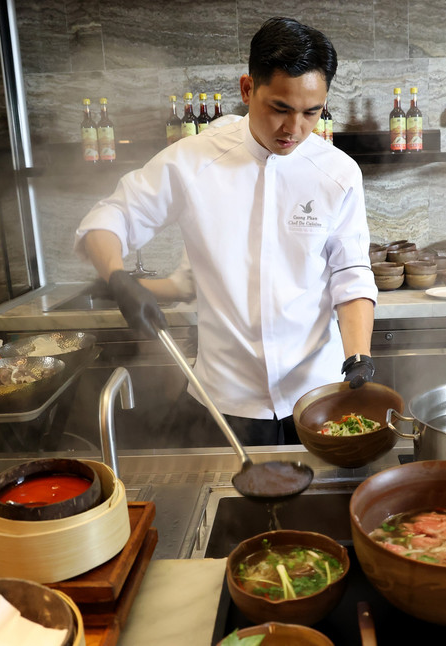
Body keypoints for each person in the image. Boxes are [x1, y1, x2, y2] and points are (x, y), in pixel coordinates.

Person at [75, 17, 377, 447]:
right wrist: (118, 277)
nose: (295, 129)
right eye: (280, 109)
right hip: (224, 401)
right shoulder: (192, 161)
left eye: (312, 112)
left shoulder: (337, 172)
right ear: (247, 90)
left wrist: (359, 355)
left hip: (315, 395)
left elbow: (351, 274)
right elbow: (110, 217)